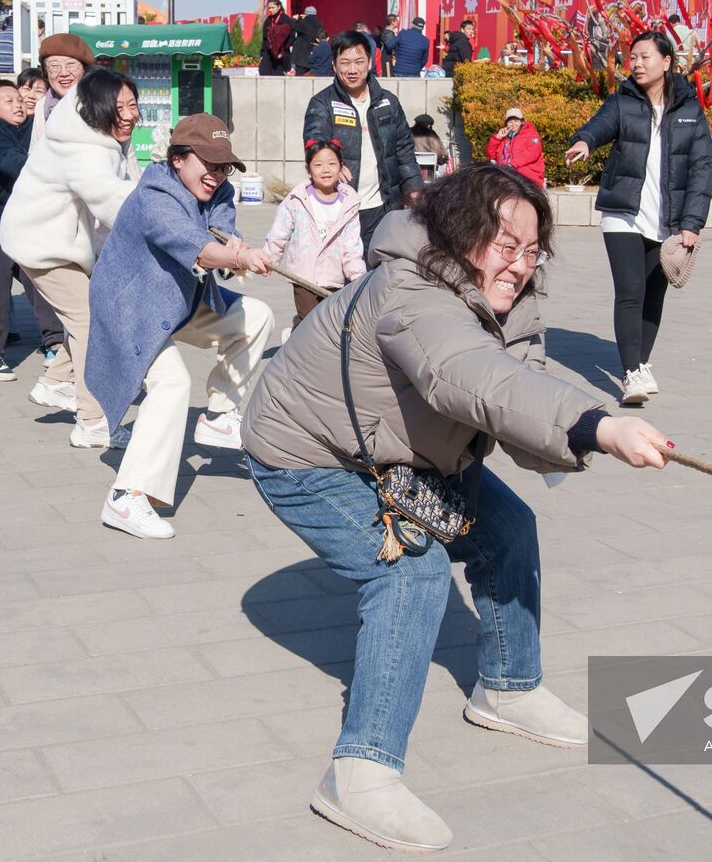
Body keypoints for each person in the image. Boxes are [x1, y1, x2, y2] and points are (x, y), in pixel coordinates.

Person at [240, 164, 671, 852]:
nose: (520, 265)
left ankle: (507, 687)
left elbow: (513, 397)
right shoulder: (411, 290)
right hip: (305, 453)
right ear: (462, 233)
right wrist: (598, 425)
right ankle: (360, 773)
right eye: (506, 245)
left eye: (533, 252)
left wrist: (584, 428)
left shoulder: (508, 306)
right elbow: (468, 376)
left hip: (401, 451)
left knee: (507, 530)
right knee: (410, 574)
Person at [86, 114, 275, 539]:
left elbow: (220, 235)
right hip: (130, 308)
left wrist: (237, 249)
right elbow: (193, 245)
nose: (216, 174)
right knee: (172, 382)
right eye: (207, 162)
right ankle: (126, 497)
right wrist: (236, 257)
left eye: (224, 164)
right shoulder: (155, 192)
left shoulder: (220, 190)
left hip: (181, 302)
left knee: (258, 316)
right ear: (177, 160)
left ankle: (220, 415)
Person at [565, 31, 712, 405]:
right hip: (623, 214)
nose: (637, 64)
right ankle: (631, 373)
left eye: (645, 57)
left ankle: (642, 362)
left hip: (665, 220)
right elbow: (600, 124)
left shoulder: (690, 111)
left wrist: (692, 223)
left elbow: (702, 168)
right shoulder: (622, 101)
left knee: (653, 296)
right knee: (630, 293)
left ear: (667, 62)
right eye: (633, 57)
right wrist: (584, 140)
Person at [1, 68, 142, 448]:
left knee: (82, 317)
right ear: (97, 108)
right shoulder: (84, 148)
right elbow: (111, 199)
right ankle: (93, 421)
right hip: (44, 244)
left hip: (50, 237)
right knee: (90, 323)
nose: (129, 114)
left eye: (133, 104)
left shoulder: (89, 135)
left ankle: (56, 382)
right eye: (119, 107)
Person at [0, 80, 66, 390]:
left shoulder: (28, 129)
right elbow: (19, 165)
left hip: (18, 221)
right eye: (9, 100)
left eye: (20, 98)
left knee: (39, 276)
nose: (19, 104)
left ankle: (56, 341)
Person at [303, 30, 423, 248]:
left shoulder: (388, 102)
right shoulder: (322, 103)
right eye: (345, 62)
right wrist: (332, 165)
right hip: (339, 207)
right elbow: (315, 141)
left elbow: (404, 150)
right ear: (334, 65)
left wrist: (414, 189)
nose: (352, 70)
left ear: (369, 63)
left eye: (359, 62)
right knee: (343, 276)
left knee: (378, 273)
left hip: (383, 208)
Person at [263, 139, 365, 329]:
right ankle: (294, 355)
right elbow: (279, 233)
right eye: (318, 164)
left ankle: (317, 355)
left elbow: (352, 245)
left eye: (332, 164)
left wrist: (357, 276)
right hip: (304, 275)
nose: (325, 169)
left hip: (335, 276)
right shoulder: (297, 200)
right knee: (308, 323)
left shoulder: (349, 204)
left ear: (341, 167)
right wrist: (267, 260)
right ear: (308, 169)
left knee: (330, 324)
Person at [30, 33, 96, 145]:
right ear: (46, 71)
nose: (64, 73)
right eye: (54, 66)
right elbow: (34, 149)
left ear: (84, 70)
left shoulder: (102, 100)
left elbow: (126, 154)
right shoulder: (42, 106)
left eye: (71, 65)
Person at [485, 107, 544, 188]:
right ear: (506, 124)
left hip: (526, 178)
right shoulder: (504, 138)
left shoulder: (531, 134)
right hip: (506, 176)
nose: (513, 124)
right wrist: (498, 137)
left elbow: (533, 153)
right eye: (510, 121)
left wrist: (512, 165)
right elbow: (490, 153)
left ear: (522, 121)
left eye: (516, 121)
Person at [258, 0, 294, 76]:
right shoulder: (268, 20)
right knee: (264, 71)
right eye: (269, 8)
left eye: (272, 8)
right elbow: (265, 38)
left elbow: (291, 36)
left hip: (282, 54)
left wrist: (283, 49)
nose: (270, 10)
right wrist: (262, 53)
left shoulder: (286, 19)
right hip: (269, 53)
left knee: (279, 75)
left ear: (278, 7)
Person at [409, 114, 449, 181]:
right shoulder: (431, 134)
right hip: (428, 174)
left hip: (411, 171)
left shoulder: (408, 132)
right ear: (428, 125)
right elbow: (441, 152)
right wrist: (443, 159)